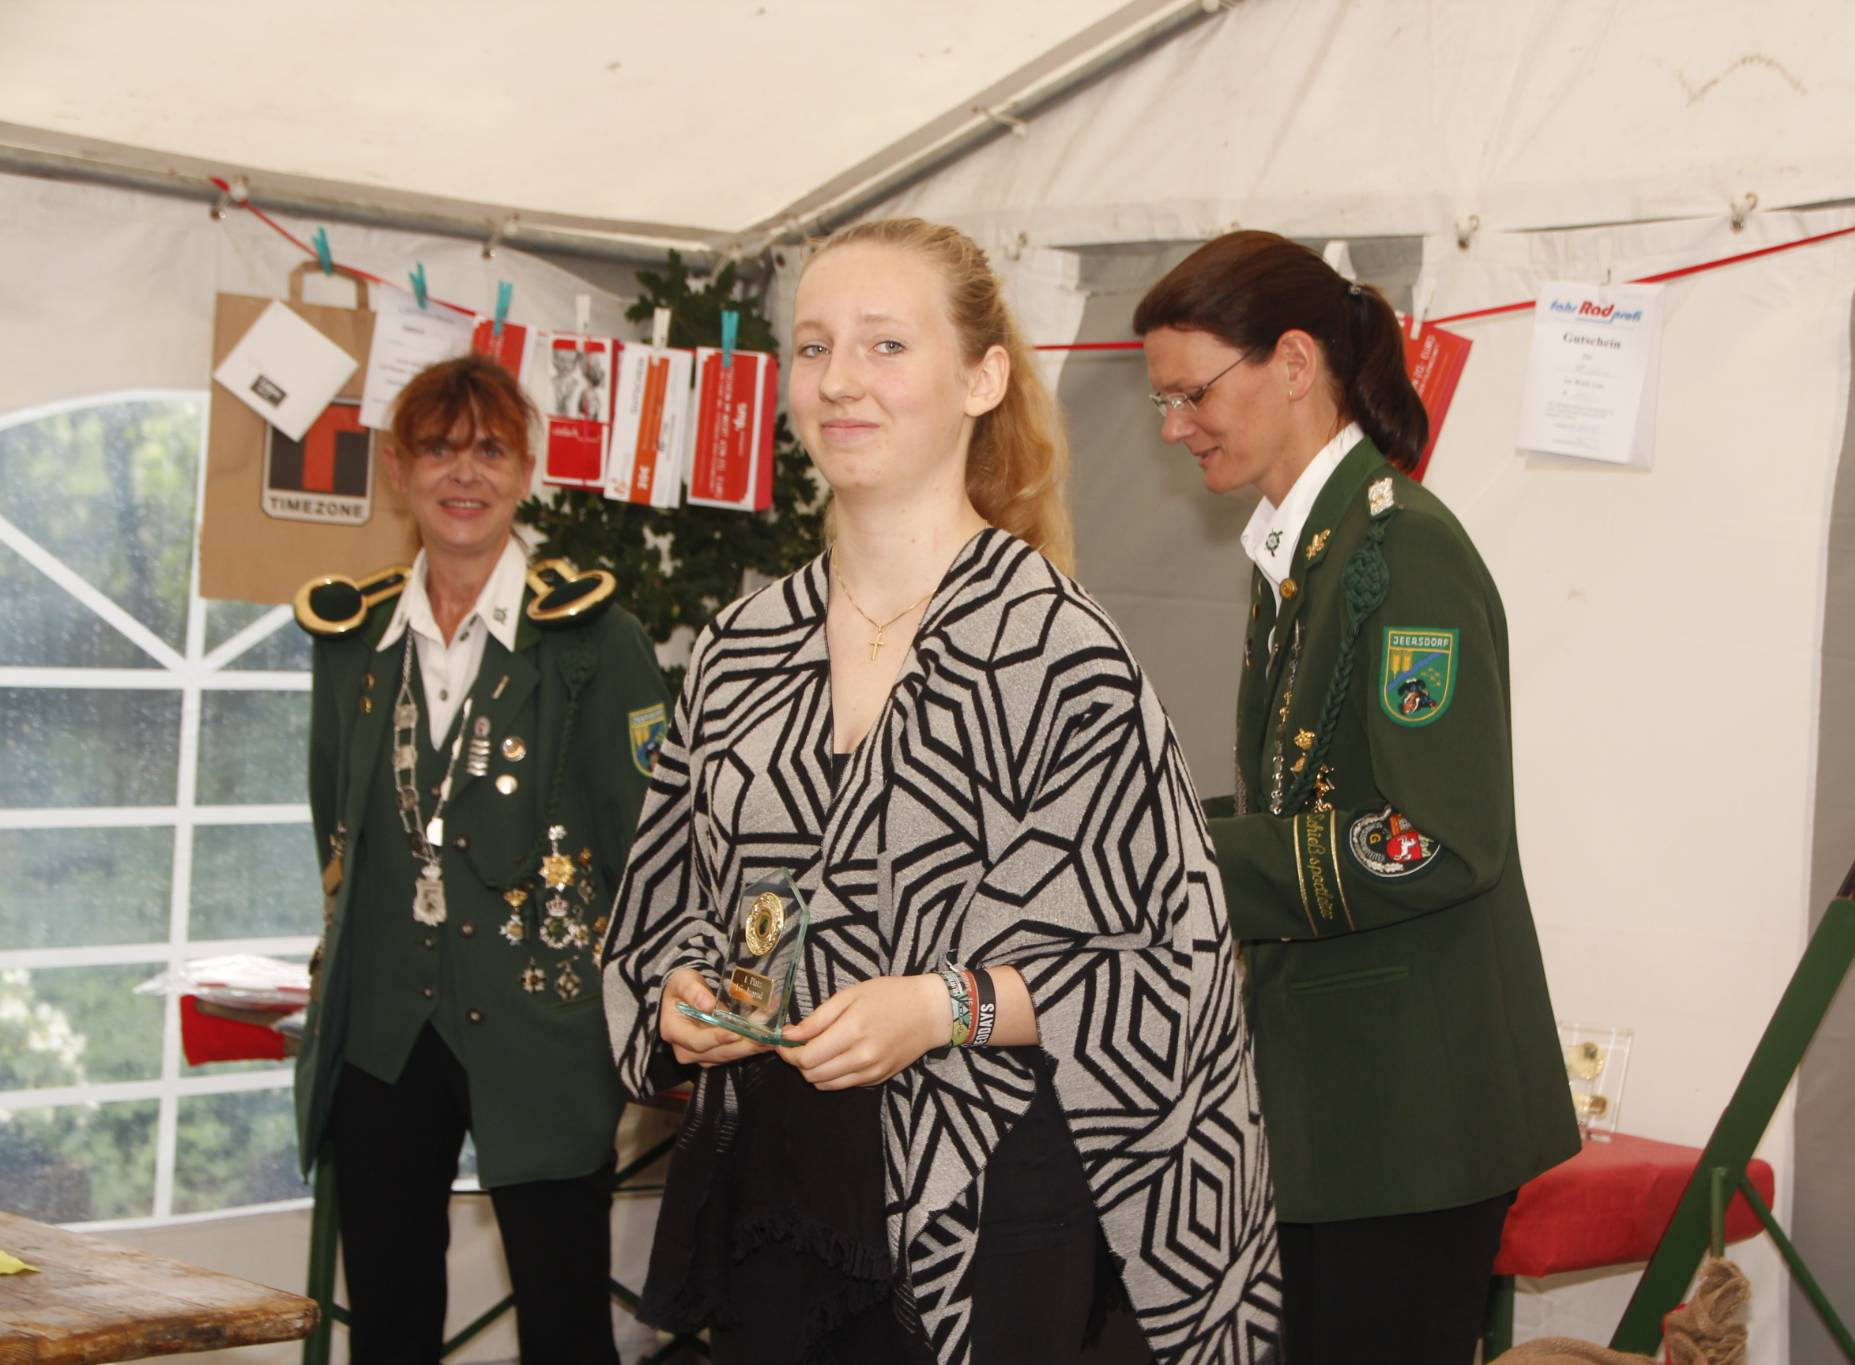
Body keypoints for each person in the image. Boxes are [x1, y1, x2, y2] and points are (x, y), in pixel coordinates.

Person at [603, 217, 1281, 1365]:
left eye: (884, 345)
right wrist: (677, 994)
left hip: (992, 1200)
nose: (839, 381)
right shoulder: (738, 647)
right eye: (812, 347)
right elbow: (661, 907)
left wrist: (937, 1009)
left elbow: (1168, 967)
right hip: (777, 1194)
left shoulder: (1059, 653)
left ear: (981, 379)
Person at [1135, 232, 1582, 1365]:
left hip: (1409, 1113)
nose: (1175, 427)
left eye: (1192, 394)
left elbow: (1435, 840)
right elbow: (1301, 797)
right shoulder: (1306, 555)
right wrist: (1142, 824)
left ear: (1292, 362)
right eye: (1164, 402)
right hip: (1338, 1101)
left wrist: (1183, 852)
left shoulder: (1400, 554)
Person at [292, 353, 669, 1364]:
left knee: (564, 1328)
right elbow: (337, 825)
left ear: (527, 471)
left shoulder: (593, 642)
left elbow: (648, 846)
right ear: (399, 470)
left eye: (491, 450)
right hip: (383, 1029)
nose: (465, 473)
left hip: (544, 1030)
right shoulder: (351, 638)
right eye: (438, 448)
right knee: (388, 1327)